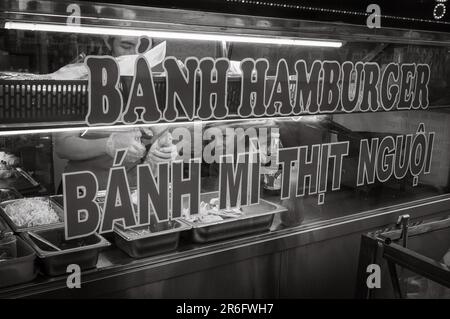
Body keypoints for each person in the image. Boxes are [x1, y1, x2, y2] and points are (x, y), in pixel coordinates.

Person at [55, 35, 173, 191]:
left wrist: (164, 150)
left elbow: (160, 134)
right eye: (126, 46)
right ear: (108, 42)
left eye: (142, 49)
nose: (133, 55)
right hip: (84, 190)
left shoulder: (149, 83)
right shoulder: (84, 81)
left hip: (130, 189)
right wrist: (108, 145)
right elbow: (63, 146)